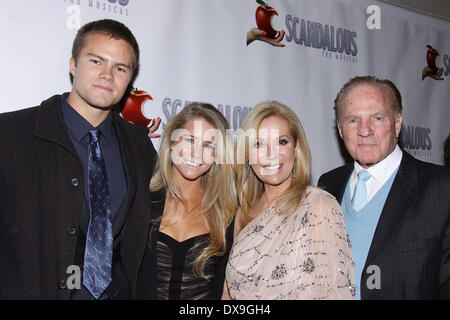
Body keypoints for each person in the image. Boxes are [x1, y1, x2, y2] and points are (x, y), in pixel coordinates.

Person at [0, 19, 157, 299]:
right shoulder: (10, 135)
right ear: (73, 64)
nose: (107, 75)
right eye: (96, 61)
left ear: (130, 79)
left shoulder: (140, 146)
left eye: (120, 68)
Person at [318, 76, 450, 299]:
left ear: (397, 124)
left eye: (377, 118)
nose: (364, 130)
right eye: (352, 120)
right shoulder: (327, 185)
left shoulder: (441, 187)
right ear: (340, 130)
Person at [223, 101, 355, 300]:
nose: (271, 154)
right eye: (258, 144)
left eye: (281, 142)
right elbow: (228, 292)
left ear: (296, 148)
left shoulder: (318, 205)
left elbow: (334, 292)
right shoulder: (241, 214)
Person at [138, 102, 238, 299]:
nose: (196, 153)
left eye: (208, 145)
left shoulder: (227, 212)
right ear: (172, 142)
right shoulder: (142, 199)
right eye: (190, 140)